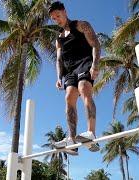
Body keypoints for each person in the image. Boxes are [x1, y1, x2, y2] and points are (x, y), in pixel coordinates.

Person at [48, 1, 101, 155]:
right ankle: (72, 139)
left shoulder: (81, 25)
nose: (57, 19)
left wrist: (95, 65)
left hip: (85, 63)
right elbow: (59, 59)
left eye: (58, 15)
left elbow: (96, 45)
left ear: (64, 11)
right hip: (70, 71)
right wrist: (59, 76)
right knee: (69, 97)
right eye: (53, 18)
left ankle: (91, 132)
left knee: (84, 88)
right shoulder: (59, 38)